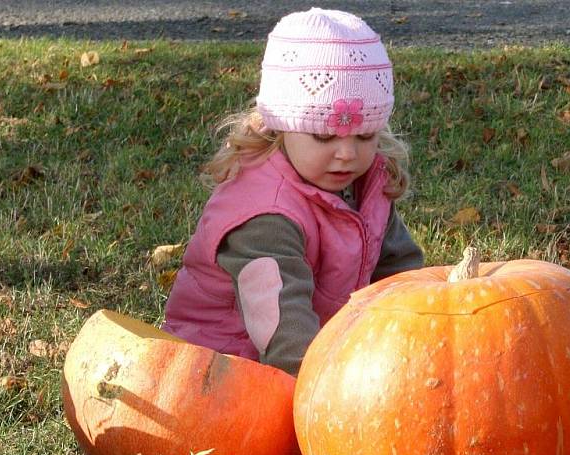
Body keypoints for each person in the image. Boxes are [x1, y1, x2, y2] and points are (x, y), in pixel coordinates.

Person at [162, 7, 424, 377]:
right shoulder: (264, 216)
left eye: (365, 135)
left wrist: (422, 338)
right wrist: (326, 396)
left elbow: (400, 278)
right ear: (280, 126)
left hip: (321, 354)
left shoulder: (368, 186)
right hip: (229, 373)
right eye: (323, 136)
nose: (347, 153)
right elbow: (284, 333)